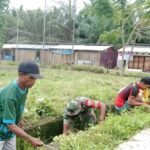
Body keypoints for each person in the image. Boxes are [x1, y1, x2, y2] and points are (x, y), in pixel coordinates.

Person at [0, 60, 44, 150]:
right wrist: (31, 139)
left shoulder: (24, 88)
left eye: (35, 79)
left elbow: (18, 106)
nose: (33, 82)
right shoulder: (10, 95)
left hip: (9, 133)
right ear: (20, 74)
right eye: (31, 77)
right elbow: (10, 124)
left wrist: (19, 119)